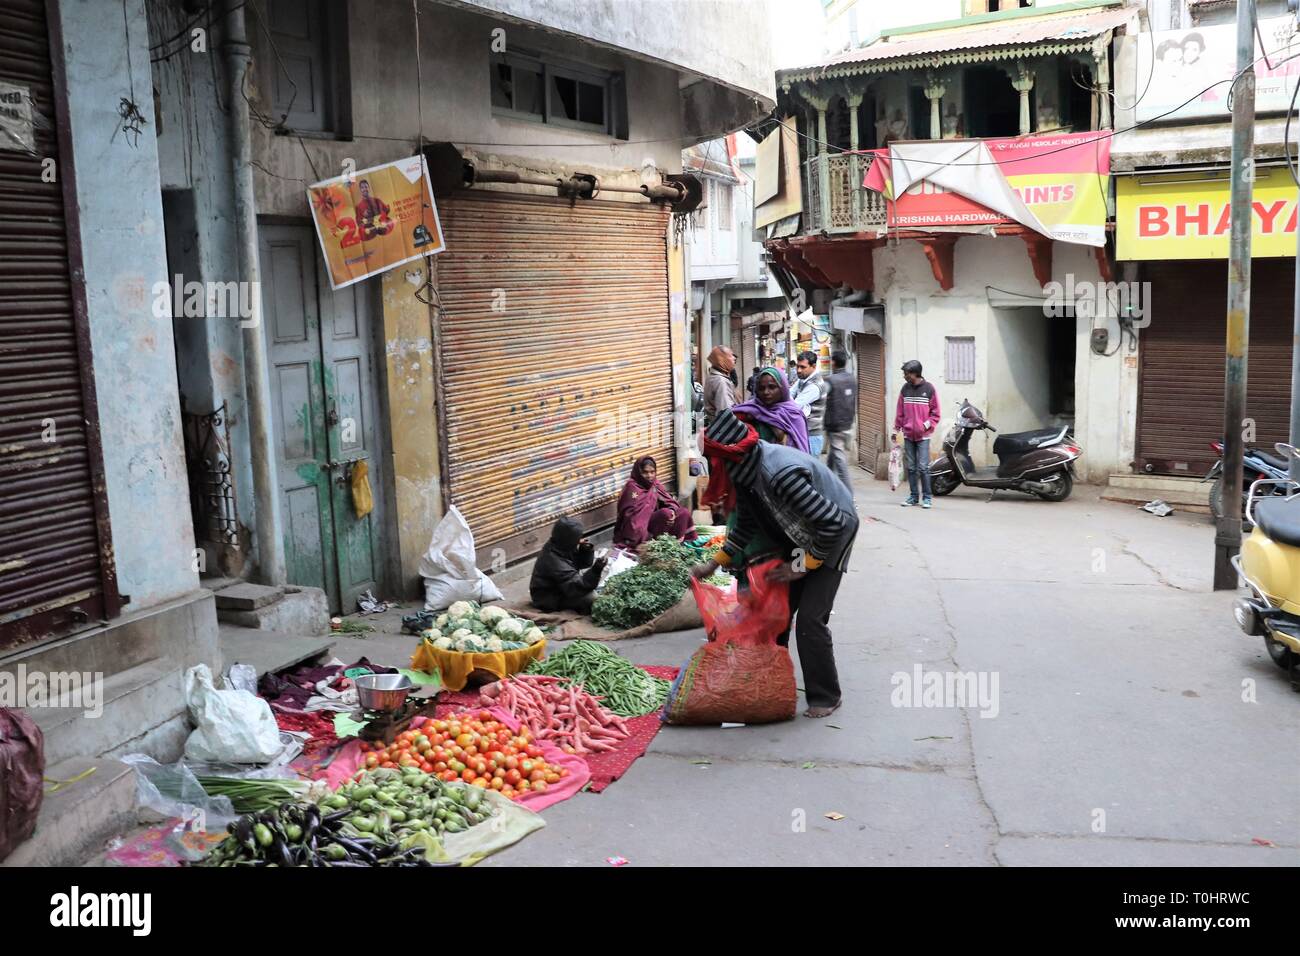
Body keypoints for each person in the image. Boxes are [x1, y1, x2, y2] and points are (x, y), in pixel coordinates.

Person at [692, 408, 858, 719]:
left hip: (833, 533)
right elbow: (747, 525)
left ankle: (826, 695)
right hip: (798, 533)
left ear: (727, 458)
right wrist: (714, 563)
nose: (710, 469)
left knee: (810, 619)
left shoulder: (779, 473)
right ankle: (770, 685)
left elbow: (832, 524)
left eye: (712, 462)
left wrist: (803, 566)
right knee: (775, 612)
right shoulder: (744, 472)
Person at [612, 456, 695, 550]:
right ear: (639, 472)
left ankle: (676, 544)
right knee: (665, 513)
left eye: (652, 472)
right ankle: (653, 544)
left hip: (655, 524)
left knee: (683, 512)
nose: (649, 476)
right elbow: (632, 518)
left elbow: (669, 501)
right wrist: (639, 540)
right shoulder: (632, 488)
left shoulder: (655, 484)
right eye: (645, 472)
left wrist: (672, 511)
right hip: (640, 531)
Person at [529, 516, 607, 614]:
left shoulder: (559, 545)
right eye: (577, 538)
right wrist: (596, 570)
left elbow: (581, 563)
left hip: (560, 587)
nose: (580, 540)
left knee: (593, 590)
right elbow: (578, 587)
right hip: (547, 598)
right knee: (592, 598)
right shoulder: (555, 561)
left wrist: (585, 550)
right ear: (569, 540)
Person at [893, 359, 941, 509]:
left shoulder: (929, 389)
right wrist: (896, 429)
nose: (904, 376)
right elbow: (900, 412)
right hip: (908, 435)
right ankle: (913, 497)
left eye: (906, 373)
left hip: (923, 437)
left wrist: (924, 426)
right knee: (912, 468)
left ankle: (927, 498)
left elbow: (935, 414)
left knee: (923, 467)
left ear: (914, 373)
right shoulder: (904, 390)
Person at [731, 366, 811, 452]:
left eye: (772, 387)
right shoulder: (749, 409)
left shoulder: (794, 415)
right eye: (761, 388)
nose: (766, 392)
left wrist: (781, 436)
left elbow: (801, 450)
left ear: (782, 388)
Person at [822, 349, 857, 492]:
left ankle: (849, 494)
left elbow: (820, 397)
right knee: (833, 456)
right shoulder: (852, 378)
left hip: (835, 425)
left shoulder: (830, 380)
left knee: (840, 460)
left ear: (834, 362)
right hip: (848, 423)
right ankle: (826, 484)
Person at [790, 350, 828, 455]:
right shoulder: (803, 379)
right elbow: (789, 394)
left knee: (808, 470)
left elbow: (793, 406)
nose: (798, 370)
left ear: (813, 366)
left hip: (811, 437)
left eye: (802, 367)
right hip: (802, 433)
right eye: (798, 366)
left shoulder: (815, 386)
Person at [703, 346, 738, 427]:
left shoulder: (715, 377)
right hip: (725, 429)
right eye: (730, 355)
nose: (734, 358)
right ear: (721, 360)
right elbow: (726, 412)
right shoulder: (720, 381)